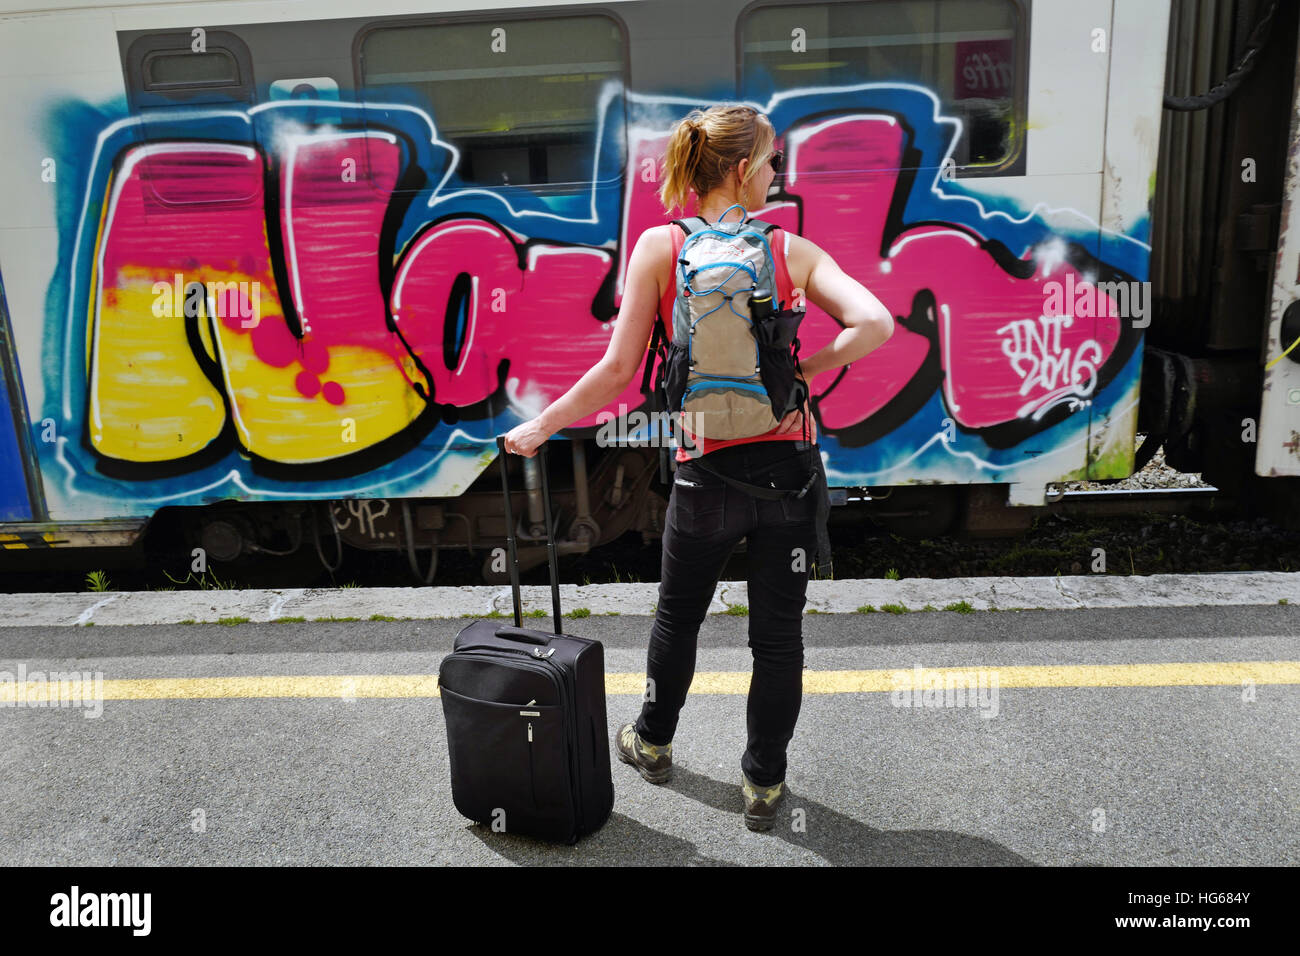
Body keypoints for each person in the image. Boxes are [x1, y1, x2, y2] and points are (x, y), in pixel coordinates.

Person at [502, 103, 893, 831]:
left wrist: (543, 424)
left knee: (678, 621)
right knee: (778, 638)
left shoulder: (659, 246)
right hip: (788, 476)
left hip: (702, 473)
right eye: (772, 162)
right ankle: (765, 787)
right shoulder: (791, 251)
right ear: (743, 170)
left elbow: (619, 368)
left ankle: (652, 741)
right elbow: (875, 323)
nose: (779, 175)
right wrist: (806, 368)